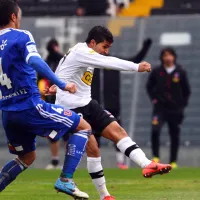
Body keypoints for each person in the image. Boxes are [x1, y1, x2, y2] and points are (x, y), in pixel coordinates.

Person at [45, 26, 172, 200]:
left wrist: (57, 85)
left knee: (118, 131)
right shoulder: (82, 52)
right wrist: (136, 67)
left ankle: (147, 164)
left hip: (87, 103)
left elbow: (62, 67)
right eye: (104, 47)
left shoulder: (78, 51)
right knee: (93, 149)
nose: (105, 52)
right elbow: (109, 63)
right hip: (71, 108)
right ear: (92, 43)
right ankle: (104, 195)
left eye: (107, 48)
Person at [0, 1, 91, 199]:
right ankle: (66, 179)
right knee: (83, 127)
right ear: (14, 17)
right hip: (30, 107)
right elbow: (34, 60)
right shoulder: (21, 35)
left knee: (26, 157)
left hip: (8, 113)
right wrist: (62, 84)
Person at [92, 38, 152, 169]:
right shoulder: (89, 63)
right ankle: (96, 163)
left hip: (112, 105)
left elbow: (134, 60)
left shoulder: (113, 61)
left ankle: (120, 161)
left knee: (117, 132)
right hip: (95, 105)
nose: (105, 50)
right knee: (94, 135)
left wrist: (146, 46)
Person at [146, 47, 191, 168]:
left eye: (170, 55)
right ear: (162, 57)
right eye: (165, 55)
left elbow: (187, 91)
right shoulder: (157, 71)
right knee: (155, 130)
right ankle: (155, 157)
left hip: (175, 109)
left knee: (174, 134)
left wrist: (182, 105)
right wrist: (154, 100)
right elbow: (149, 87)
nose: (168, 58)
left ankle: (173, 161)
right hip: (159, 109)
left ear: (174, 57)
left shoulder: (180, 72)